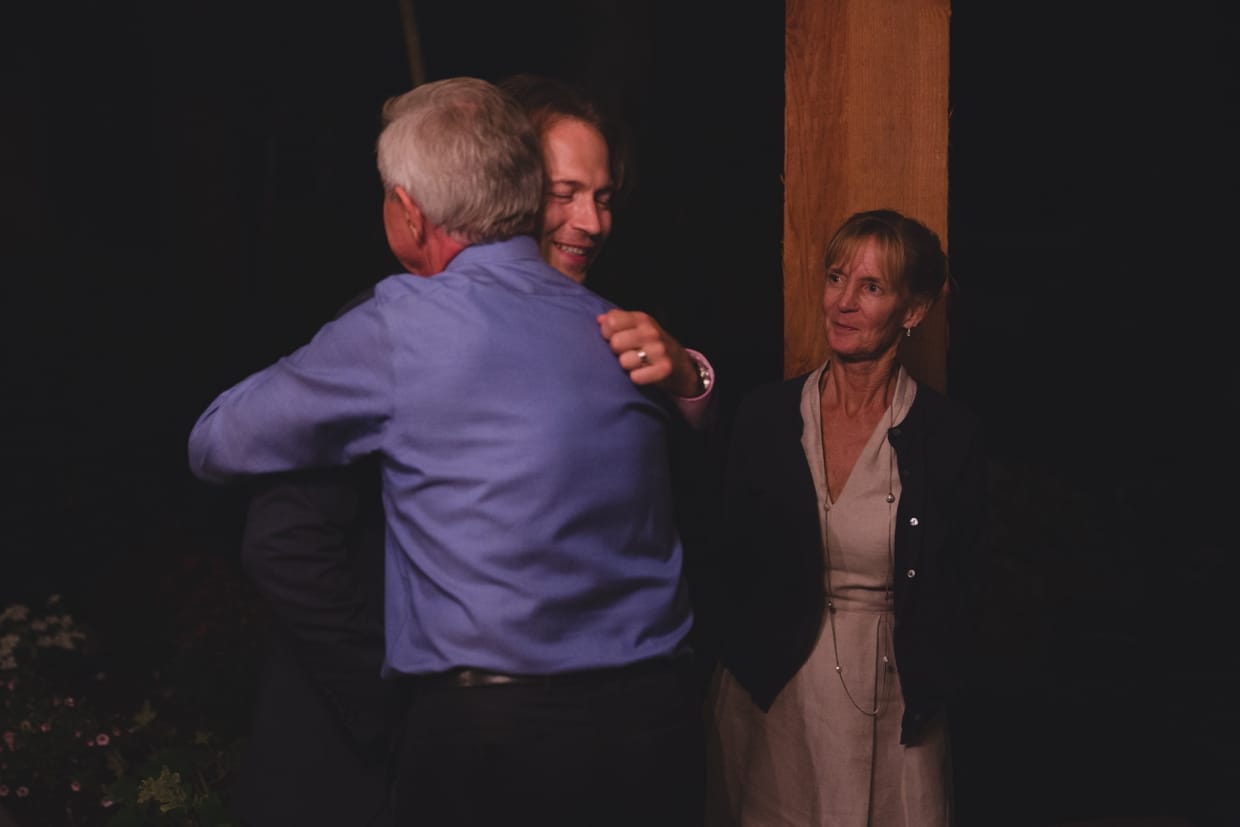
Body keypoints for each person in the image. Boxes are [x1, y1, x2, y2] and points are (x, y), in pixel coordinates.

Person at [189, 76, 704, 826]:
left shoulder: (399, 324)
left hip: (492, 737)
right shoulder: (614, 326)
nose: (589, 221)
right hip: (653, 723)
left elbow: (216, 439)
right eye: (566, 192)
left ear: (407, 212)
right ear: (523, 192)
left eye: (601, 196)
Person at [705, 209, 987, 826]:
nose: (844, 303)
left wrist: (935, 676)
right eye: (836, 278)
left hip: (890, 693)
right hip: (768, 685)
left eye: (872, 287)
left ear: (912, 312)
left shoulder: (948, 438)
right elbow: (723, 556)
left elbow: (967, 586)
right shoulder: (767, 416)